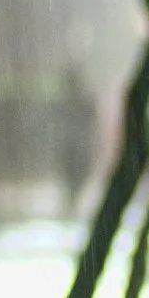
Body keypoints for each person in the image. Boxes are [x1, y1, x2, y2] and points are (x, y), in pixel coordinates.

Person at [56, 64, 98, 217]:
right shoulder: (69, 102)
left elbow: (90, 118)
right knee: (74, 176)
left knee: (76, 175)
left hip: (76, 146)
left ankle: (72, 202)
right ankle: (71, 202)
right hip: (73, 146)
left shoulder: (77, 101)